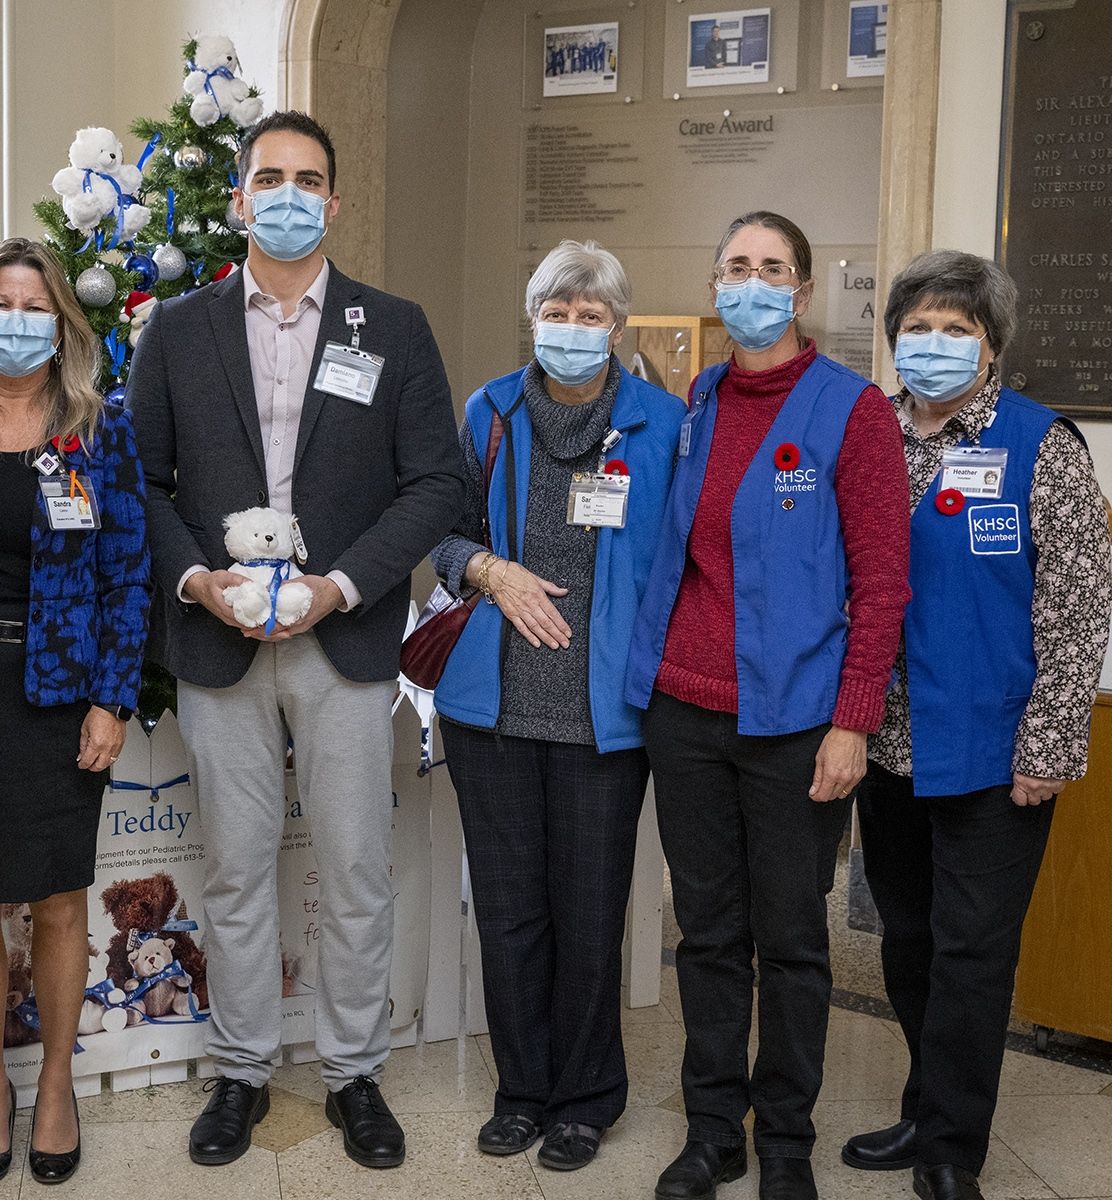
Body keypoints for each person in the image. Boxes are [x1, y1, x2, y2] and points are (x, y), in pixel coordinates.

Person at [130, 109, 465, 1171]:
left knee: (357, 865)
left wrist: (342, 585)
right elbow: (144, 484)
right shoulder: (176, 330)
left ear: (334, 199)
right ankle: (241, 1068)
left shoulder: (394, 327)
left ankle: (353, 1072)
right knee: (233, 869)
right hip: (219, 639)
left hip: (346, 639)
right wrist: (195, 578)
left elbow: (437, 484)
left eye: (307, 178)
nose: (287, 194)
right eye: (267, 176)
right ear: (237, 199)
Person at [623, 211, 912, 1200]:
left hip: (797, 724)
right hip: (687, 711)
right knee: (706, 933)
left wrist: (853, 720)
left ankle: (785, 1135)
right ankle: (715, 1129)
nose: (753, 282)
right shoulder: (700, 397)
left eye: (772, 268)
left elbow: (882, 582)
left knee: (790, 939)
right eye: (736, 266)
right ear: (716, 283)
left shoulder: (854, 411)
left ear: (803, 288)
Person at [840, 251, 1112, 1200]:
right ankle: (925, 1104)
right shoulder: (868, 432)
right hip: (887, 744)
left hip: (998, 751)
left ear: (991, 349)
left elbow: (1078, 606)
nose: (935, 345)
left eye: (958, 330)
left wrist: (1050, 742)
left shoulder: (1044, 444)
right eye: (918, 327)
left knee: (972, 950)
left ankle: (954, 1146)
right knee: (907, 940)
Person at [429, 240, 684, 1173]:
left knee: (590, 913)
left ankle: (585, 1099)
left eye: (591, 314)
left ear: (618, 325)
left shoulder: (664, 421)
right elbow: (445, 535)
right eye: (557, 311)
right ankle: (521, 1091)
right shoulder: (490, 410)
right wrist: (489, 569)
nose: (572, 329)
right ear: (530, 316)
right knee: (508, 913)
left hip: (604, 713)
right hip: (491, 708)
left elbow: (682, 557)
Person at [0, 237, 150, 1187]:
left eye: (35, 305)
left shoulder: (100, 431)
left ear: (63, 325)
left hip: (62, 696)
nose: (17, 321)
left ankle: (54, 1083)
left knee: (57, 902)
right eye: (1, 304)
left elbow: (129, 575)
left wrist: (114, 698)